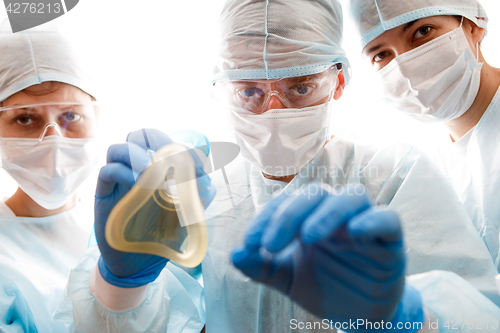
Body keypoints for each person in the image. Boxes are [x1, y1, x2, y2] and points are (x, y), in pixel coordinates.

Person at [58, 0, 500, 332]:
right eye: (249, 91)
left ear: (338, 82)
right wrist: (118, 285)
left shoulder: (395, 176)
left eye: (300, 86)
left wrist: (404, 315)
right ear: (222, 89)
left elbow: (476, 317)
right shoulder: (198, 198)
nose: (274, 111)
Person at [0, 24, 211, 332]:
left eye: (70, 115)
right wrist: (118, 290)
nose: (53, 140)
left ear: (96, 117)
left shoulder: (135, 222)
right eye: (25, 118)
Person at [349, 0, 500, 273]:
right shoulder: (422, 169)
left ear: (473, 25)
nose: (405, 66)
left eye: (422, 31)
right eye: (381, 55)